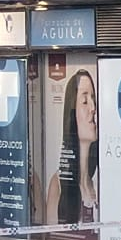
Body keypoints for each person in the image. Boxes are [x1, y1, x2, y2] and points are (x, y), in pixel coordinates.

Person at [44, 69, 99, 228]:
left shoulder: (100, 181)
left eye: (93, 99)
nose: (93, 108)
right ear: (72, 111)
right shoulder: (59, 183)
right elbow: (53, 236)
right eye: (84, 101)